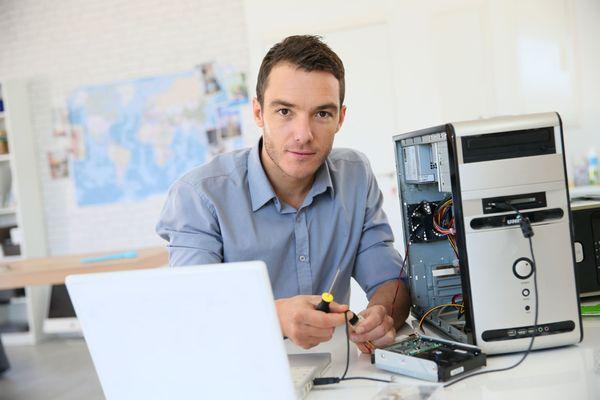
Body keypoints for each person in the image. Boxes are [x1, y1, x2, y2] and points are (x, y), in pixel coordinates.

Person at [156, 35, 410, 352]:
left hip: (338, 374)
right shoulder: (198, 195)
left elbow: (390, 280)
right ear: (259, 113)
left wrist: (383, 315)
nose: (303, 135)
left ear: (340, 119)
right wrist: (274, 315)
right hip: (237, 371)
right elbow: (191, 310)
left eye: (322, 114)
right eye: (285, 112)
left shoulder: (354, 175)